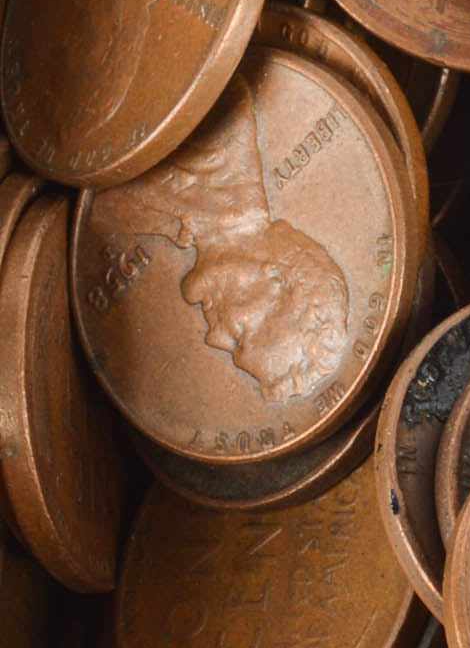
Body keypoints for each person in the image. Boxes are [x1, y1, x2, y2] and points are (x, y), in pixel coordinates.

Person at [88, 78, 352, 405]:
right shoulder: (219, 137)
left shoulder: (177, 226)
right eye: (241, 337)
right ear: (277, 280)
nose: (213, 337)